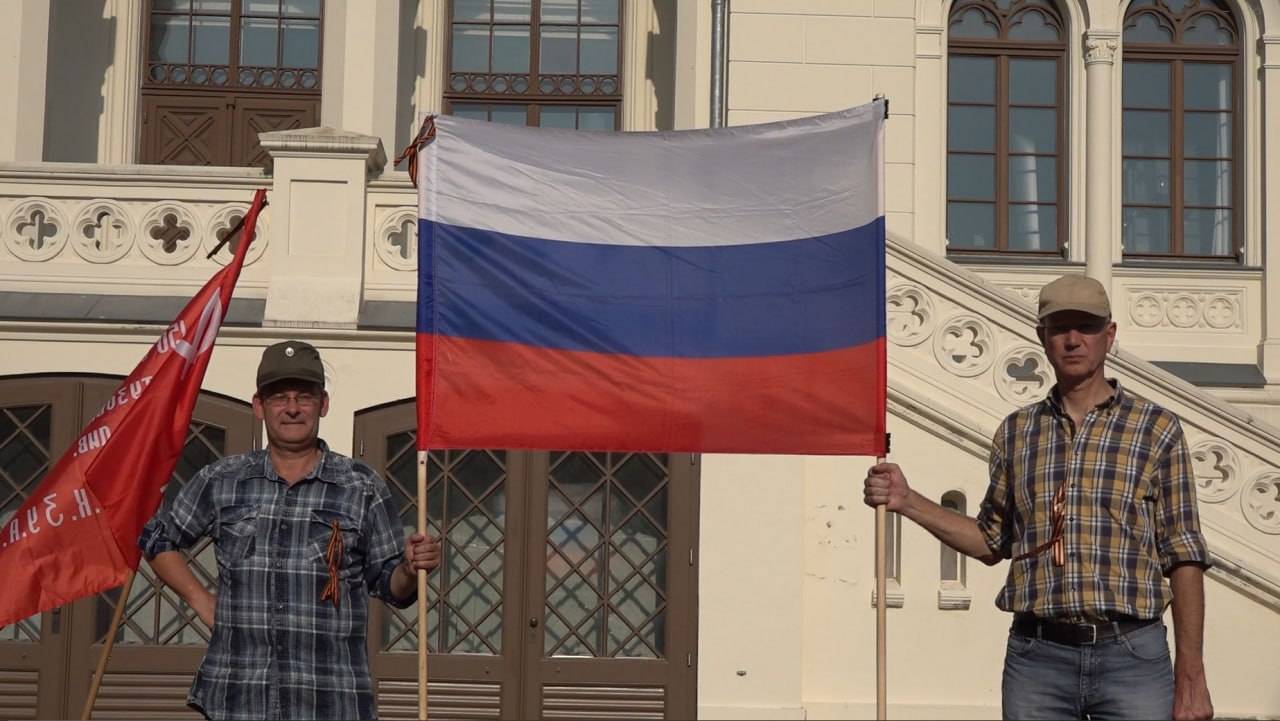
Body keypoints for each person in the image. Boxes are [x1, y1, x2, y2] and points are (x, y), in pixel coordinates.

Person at [864, 274, 1214, 721]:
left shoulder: (1157, 429)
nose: (1072, 340)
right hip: (1038, 657)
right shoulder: (1017, 432)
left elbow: (1183, 554)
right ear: (1041, 338)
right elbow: (992, 541)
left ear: (1109, 336)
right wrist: (907, 500)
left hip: (1133, 656)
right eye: (1059, 327)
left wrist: (1191, 675)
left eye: (1085, 327)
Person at [139, 340, 441, 720]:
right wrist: (200, 598)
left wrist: (411, 569)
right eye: (280, 398)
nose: (293, 408)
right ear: (258, 405)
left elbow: (389, 585)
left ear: (324, 404)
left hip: (330, 698)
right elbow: (156, 537)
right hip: (238, 696)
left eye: (304, 397)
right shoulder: (223, 480)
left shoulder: (360, 486)